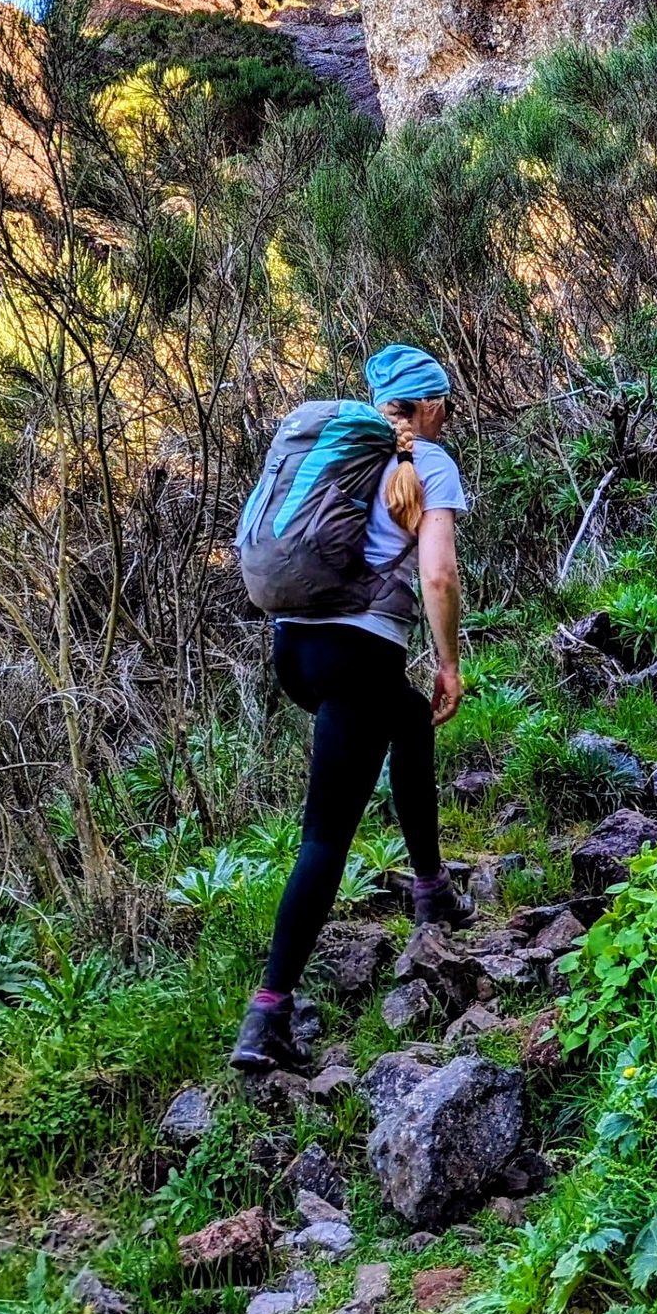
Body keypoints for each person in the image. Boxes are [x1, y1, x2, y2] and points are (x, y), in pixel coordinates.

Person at [231, 343, 469, 1074]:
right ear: (428, 407)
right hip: (356, 657)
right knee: (325, 836)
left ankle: (431, 892)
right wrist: (450, 661)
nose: (449, 416)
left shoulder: (339, 454)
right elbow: (439, 573)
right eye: (447, 405)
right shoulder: (428, 464)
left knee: (405, 722)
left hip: (293, 651)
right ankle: (267, 1015)